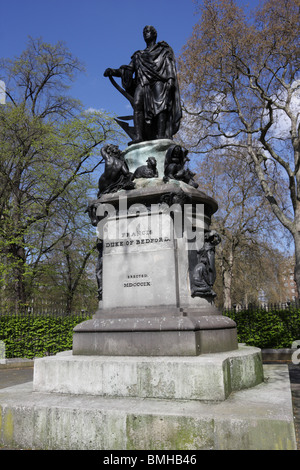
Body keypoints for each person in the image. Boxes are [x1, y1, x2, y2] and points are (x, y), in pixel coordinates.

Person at [104, 25, 182, 144]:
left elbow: (169, 66)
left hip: (158, 81)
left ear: (155, 34)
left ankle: (161, 135)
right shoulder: (138, 55)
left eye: (149, 31)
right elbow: (128, 70)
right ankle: (139, 137)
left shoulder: (163, 51)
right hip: (142, 82)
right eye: (144, 31)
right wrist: (113, 71)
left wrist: (171, 79)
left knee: (161, 107)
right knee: (137, 105)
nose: (146, 33)